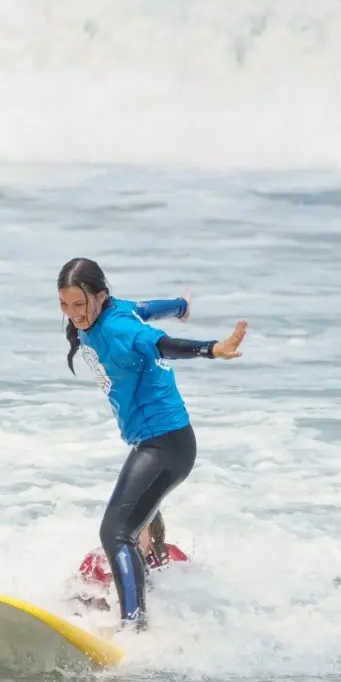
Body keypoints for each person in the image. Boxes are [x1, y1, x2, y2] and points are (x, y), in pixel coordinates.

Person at [58, 257, 246, 630]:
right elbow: (146, 308)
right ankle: (126, 619)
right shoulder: (114, 310)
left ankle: (134, 628)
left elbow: (162, 344)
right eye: (64, 305)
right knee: (121, 530)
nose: (73, 315)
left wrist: (211, 349)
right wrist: (180, 306)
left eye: (79, 305)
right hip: (155, 441)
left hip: (166, 444)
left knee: (115, 532)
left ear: (99, 297)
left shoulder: (121, 329)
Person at [75, 510, 189, 611]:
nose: (129, 536)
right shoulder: (98, 563)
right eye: (123, 530)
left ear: (153, 533)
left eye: (137, 528)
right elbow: (73, 599)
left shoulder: (169, 557)